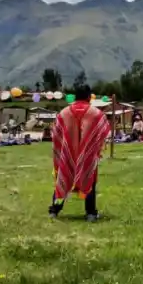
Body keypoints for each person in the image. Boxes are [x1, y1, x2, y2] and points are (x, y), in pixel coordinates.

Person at [49, 85, 111, 222]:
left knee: (63, 179)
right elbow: (104, 130)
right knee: (89, 180)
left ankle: (54, 210)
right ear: (89, 97)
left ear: (75, 96)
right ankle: (90, 213)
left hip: (68, 153)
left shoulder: (64, 113)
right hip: (87, 155)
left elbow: (56, 133)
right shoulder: (95, 113)